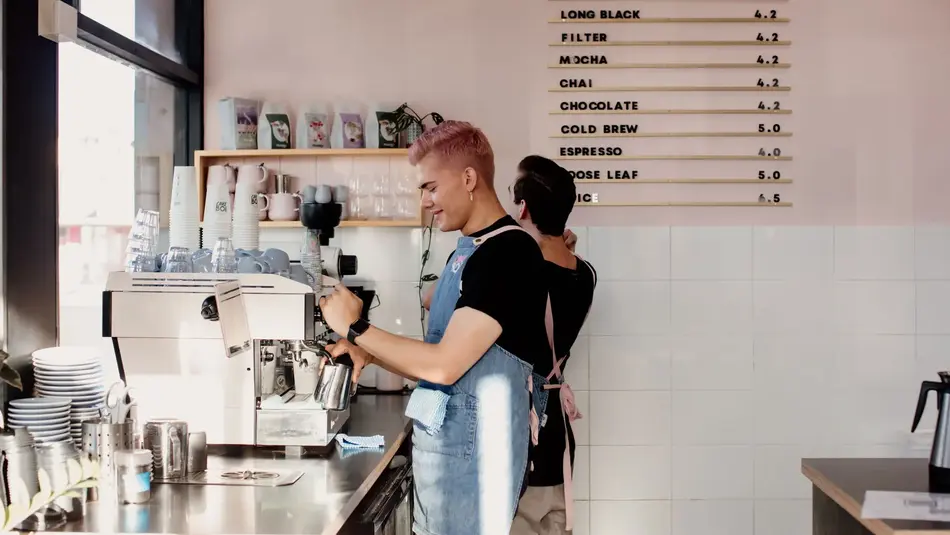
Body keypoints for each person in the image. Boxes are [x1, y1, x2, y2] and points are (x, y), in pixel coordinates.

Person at [318, 121, 551, 535]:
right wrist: (369, 352)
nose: (425, 201)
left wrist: (356, 327)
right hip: (447, 463)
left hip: (476, 471)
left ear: (468, 178)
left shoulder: (509, 253)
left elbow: (444, 366)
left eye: (430, 187)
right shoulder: (470, 251)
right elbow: (445, 371)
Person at [509, 156, 597, 535]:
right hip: (558, 441)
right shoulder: (586, 273)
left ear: (524, 207)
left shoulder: (520, 270)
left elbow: (433, 299)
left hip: (522, 442)